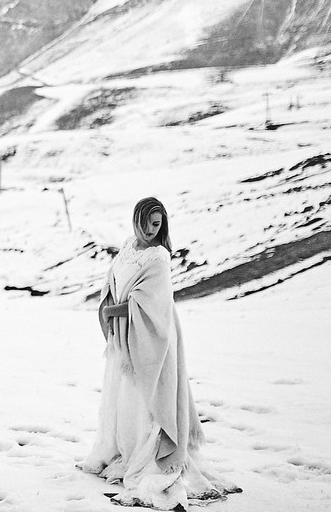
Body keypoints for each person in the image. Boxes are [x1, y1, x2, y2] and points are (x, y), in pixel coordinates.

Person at [80, 197, 240, 509]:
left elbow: (152, 304)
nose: (151, 229)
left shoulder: (159, 257)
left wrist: (113, 311)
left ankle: (151, 457)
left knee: (149, 398)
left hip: (153, 335)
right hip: (124, 334)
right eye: (147, 223)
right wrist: (110, 309)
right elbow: (112, 282)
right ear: (136, 220)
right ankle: (126, 452)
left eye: (157, 224)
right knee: (126, 397)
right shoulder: (128, 246)